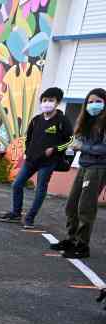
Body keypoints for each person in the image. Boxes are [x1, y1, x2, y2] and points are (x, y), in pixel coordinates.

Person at [0, 87, 72, 229]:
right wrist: (27, 152)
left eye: (51, 100)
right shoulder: (36, 120)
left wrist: (55, 149)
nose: (47, 103)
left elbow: (70, 141)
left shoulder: (62, 120)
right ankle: (16, 213)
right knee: (17, 184)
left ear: (58, 102)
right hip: (31, 160)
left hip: (48, 163)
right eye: (44, 100)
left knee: (40, 190)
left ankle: (30, 218)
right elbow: (28, 138)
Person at [51, 88, 106, 259]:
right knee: (71, 204)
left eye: (97, 101)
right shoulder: (87, 121)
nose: (93, 105)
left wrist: (83, 147)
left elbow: (103, 149)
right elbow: (78, 141)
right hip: (84, 165)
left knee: (85, 207)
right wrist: (73, 145)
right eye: (90, 102)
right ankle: (71, 238)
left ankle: (82, 245)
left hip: (97, 168)